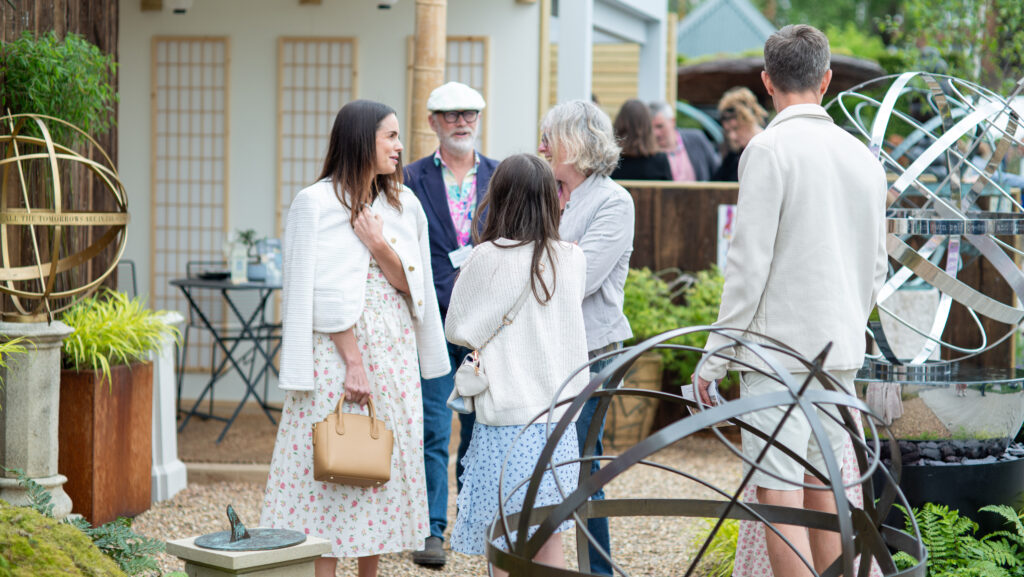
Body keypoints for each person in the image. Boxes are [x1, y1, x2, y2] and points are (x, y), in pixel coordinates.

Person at [694, 25, 888, 577]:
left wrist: (716, 353)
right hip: (840, 350)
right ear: (826, 79)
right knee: (826, 484)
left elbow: (748, 264)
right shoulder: (863, 158)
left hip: (777, 355)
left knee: (779, 495)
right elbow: (877, 266)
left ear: (766, 82)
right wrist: (850, 321)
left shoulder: (768, 149)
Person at [262, 99, 450, 577]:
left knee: (378, 472)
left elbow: (416, 285)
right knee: (330, 469)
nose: (400, 146)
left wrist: (377, 243)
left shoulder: (403, 204)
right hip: (337, 354)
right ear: (362, 140)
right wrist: (354, 361)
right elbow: (312, 290)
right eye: (390, 136)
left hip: (396, 353)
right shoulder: (316, 202)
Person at [445, 153, 588, 576]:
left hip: (506, 421)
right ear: (551, 199)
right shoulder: (572, 258)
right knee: (549, 541)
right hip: (558, 421)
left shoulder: (486, 258)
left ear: (500, 197)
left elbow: (458, 328)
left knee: (504, 541)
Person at [402, 81, 499, 567]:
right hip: (432, 321)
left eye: (469, 115)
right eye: (450, 115)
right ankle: (430, 530)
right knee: (434, 427)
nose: (461, 123)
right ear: (433, 121)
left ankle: (475, 524)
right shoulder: (408, 178)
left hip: (487, 326)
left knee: (481, 428)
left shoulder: (502, 176)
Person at [539, 99, 635, 576]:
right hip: (545, 350)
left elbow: (582, 278)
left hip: (593, 354)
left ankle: (598, 571)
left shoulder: (613, 201)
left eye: (548, 137)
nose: (539, 147)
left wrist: (543, 258)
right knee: (545, 466)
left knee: (578, 467)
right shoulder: (547, 193)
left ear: (574, 143)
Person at [649, 100, 720, 181]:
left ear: (672, 121)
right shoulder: (648, 151)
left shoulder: (696, 139)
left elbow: (716, 171)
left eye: (660, 126)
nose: (655, 133)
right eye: (651, 129)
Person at [710, 87, 768, 182]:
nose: (732, 136)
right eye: (728, 131)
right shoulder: (733, 159)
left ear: (749, 120)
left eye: (736, 128)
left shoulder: (770, 148)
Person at [610, 99, 673, 181]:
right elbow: (670, 192)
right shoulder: (660, 161)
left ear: (619, 125)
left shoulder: (610, 162)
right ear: (648, 127)